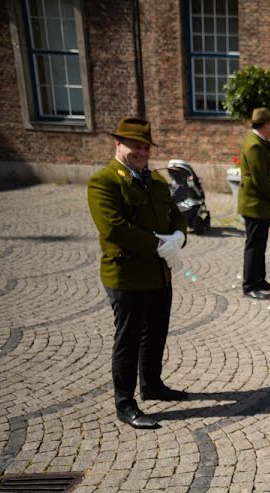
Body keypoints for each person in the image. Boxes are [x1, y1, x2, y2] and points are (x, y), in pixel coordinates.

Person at [87, 117, 188, 430]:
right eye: (134, 145)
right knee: (128, 339)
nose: (141, 151)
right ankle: (125, 402)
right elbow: (114, 228)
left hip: (159, 274)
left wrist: (179, 236)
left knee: (156, 332)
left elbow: (175, 214)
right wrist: (159, 243)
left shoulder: (155, 181)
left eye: (145, 146)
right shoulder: (104, 181)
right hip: (127, 276)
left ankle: (153, 384)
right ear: (118, 144)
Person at [237, 107, 270, 300]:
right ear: (264, 125)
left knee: (260, 244)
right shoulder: (254, 145)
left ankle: (259, 279)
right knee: (254, 246)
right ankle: (249, 285)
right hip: (255, 203)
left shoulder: (257, 141)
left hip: (259, 204)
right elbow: (259, 178)